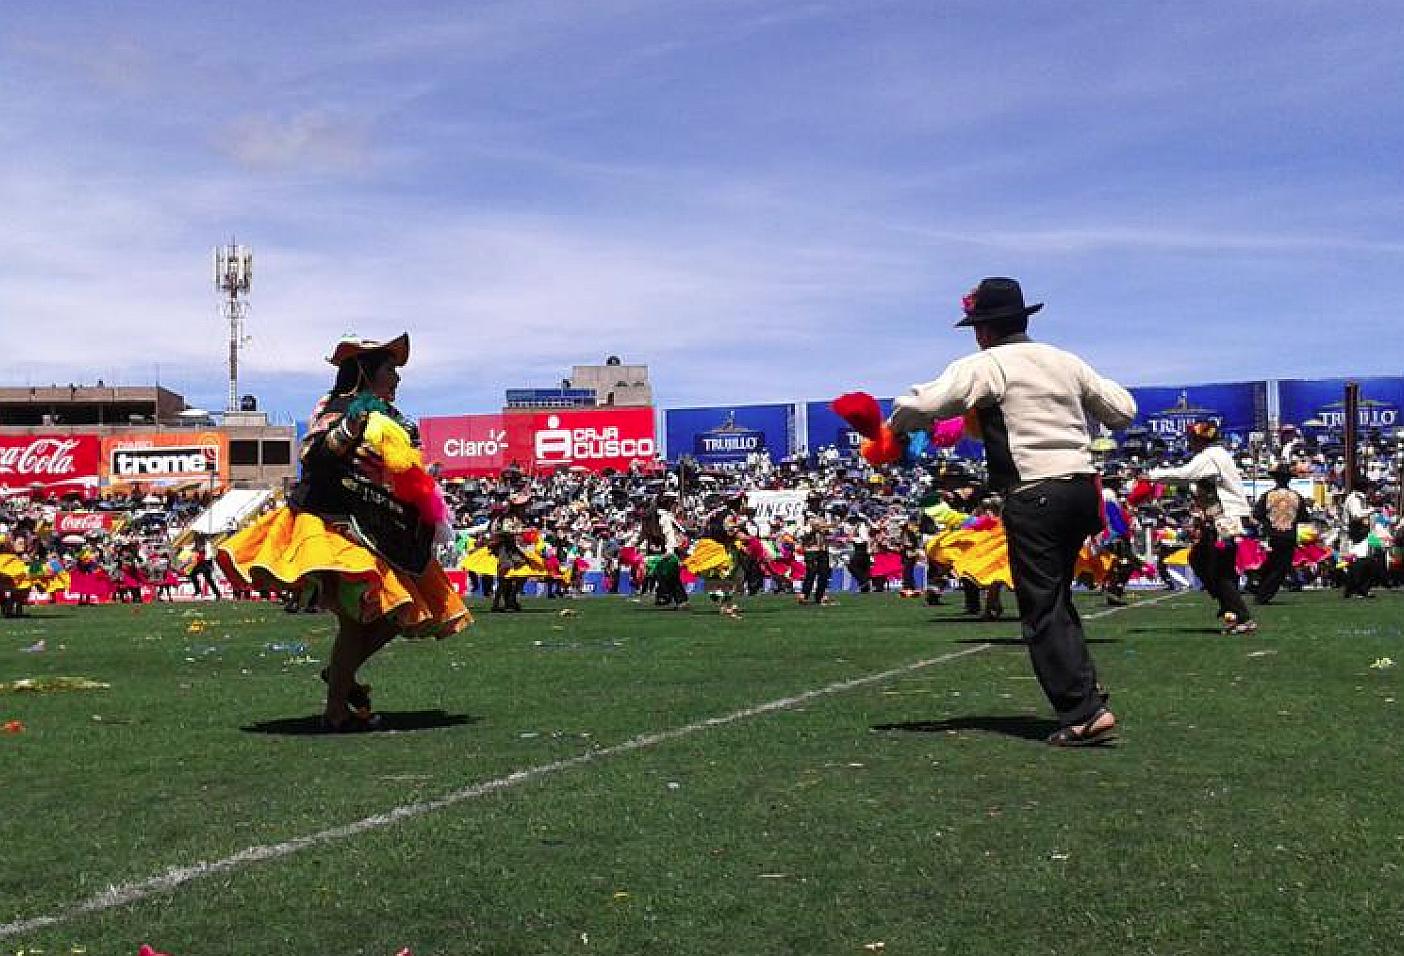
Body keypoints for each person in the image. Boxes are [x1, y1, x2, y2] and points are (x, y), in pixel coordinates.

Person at [888, 277, 1136, 746]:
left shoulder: (988, 364)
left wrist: (894, 425)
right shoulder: (1065, 360)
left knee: (1041, 606)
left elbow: (927, 402)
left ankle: (1083, 711)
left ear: (983, 330)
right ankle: (1084, 692)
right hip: (1083, 490)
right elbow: (1122, 410)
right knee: (1056, 597)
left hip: (1035, 492)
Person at [217, 333, 469, 731]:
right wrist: (352, 424)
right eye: (390, 369)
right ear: (366, 372)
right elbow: (313, 456)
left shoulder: (398, 420)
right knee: (375, 614)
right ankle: (337, 701)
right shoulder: (334, 408)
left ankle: (339, 682)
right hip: (335, 525)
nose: (397, 378)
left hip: (385, 529)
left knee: (389, 614)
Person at [1148, 422, 1256, 633]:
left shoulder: (1210, 456)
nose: (1189, 443)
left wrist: (1153, 475)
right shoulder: (1217, 455)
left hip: (1225, 520)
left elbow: (1185, 474)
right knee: (1200, 559)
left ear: (1199, 439)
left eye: (1191, 439)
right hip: (1220, 519)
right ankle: (1228, 605)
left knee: (1220, 570)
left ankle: (1240, 615)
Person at [1252, 462, 1308, 605]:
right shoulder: (1296, 496)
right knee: (1281, 567)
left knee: (1271, 564)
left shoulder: (1267, 495)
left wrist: (1268, 521)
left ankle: (1258, 585)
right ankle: (1263, 594)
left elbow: (1257, 514)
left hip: (1272, 535)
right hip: (1289, 535)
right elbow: (1304, 517)